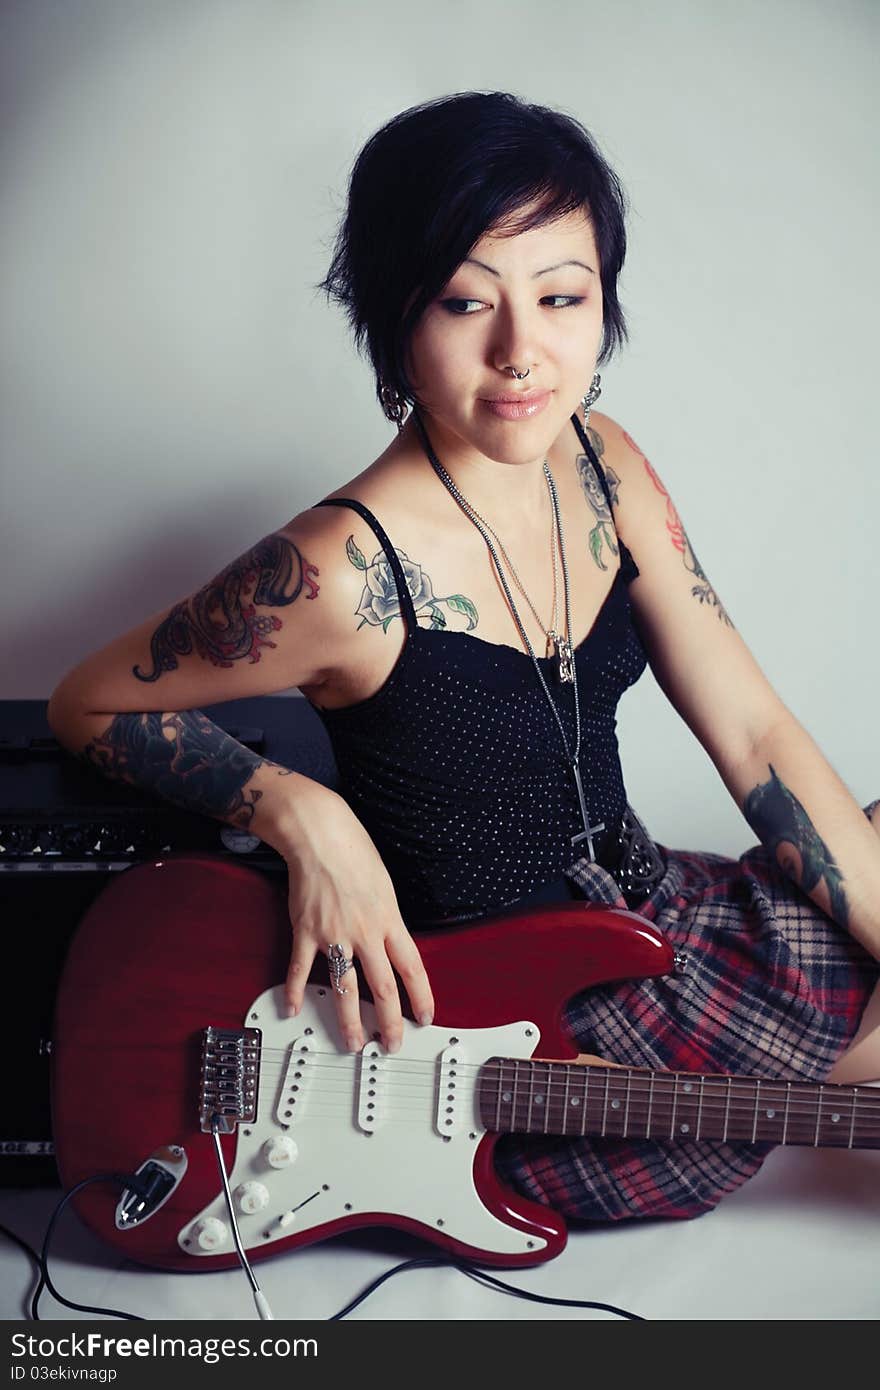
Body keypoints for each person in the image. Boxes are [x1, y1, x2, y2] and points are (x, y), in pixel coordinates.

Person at [47, 91, 880, 1222]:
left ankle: (787, 1076)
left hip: (658, 921)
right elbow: (90, 703)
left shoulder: (606, 467)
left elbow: (755, 736)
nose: (521, 351)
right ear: (397, 323)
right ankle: (776, 1087)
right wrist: (302, 813)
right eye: (462, 301)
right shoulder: (342, 570)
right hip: (504, 1041)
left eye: (561, 297)